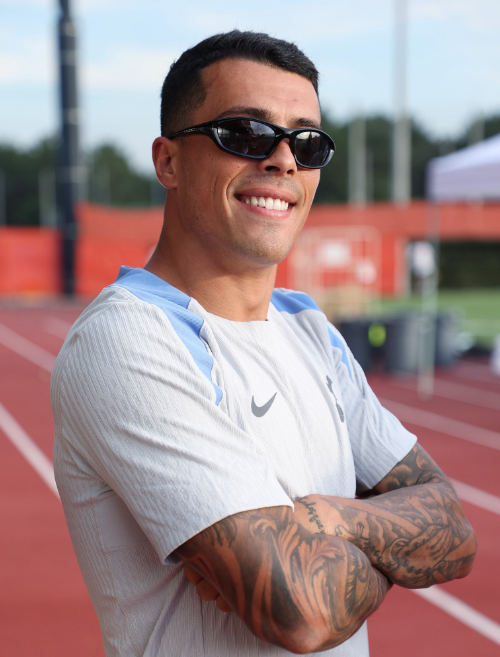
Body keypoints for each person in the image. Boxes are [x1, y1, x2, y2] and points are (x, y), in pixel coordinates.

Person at [51, 30, 476, 657]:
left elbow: (455, 530)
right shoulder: (127, 339)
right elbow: (302, 611)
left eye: (307, 142)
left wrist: (326, 520)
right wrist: (389, 549)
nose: (282, 160)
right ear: (168, 161)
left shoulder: (310, 328)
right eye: (245, 133)